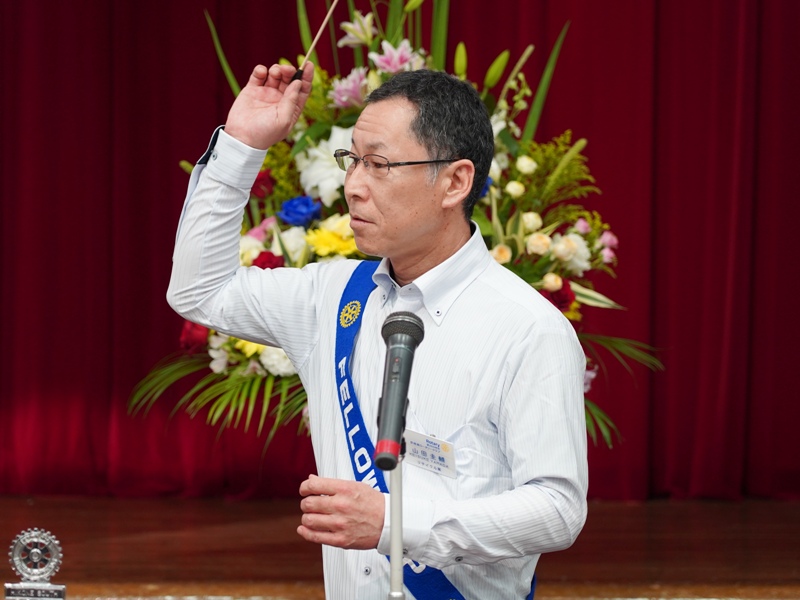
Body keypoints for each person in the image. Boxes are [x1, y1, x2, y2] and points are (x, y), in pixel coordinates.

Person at [167, 61, 588, 599]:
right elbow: (199, 291)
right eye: (352, 161)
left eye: (379, 165)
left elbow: (557, 508)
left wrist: (398, 524)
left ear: (456, 181)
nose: (353, 187)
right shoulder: (331, 296)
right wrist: (241, 145)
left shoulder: (528, 328)